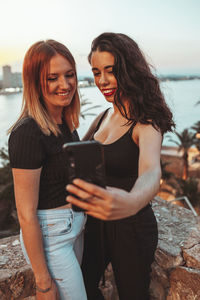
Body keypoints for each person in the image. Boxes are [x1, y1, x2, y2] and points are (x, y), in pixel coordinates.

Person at [66, 32, 175, 300]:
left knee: (132, 295)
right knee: (83, 285)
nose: (102, 80)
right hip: (94, 224)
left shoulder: (146, 121)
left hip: (132, 227)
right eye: (96, 72)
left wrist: (132, 201)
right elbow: (74, 155)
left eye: (110, 71)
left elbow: (151, 171)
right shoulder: (103, 116)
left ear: (128, 70)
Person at [8, 40, 87, 300]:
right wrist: (43, 283)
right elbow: (26, 213)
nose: (65, 85)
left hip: (73, 229)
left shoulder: (65, 122)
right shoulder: (28, 132)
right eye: (52, 78)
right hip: (52, 238)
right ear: (34, 82)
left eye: (69, 75)